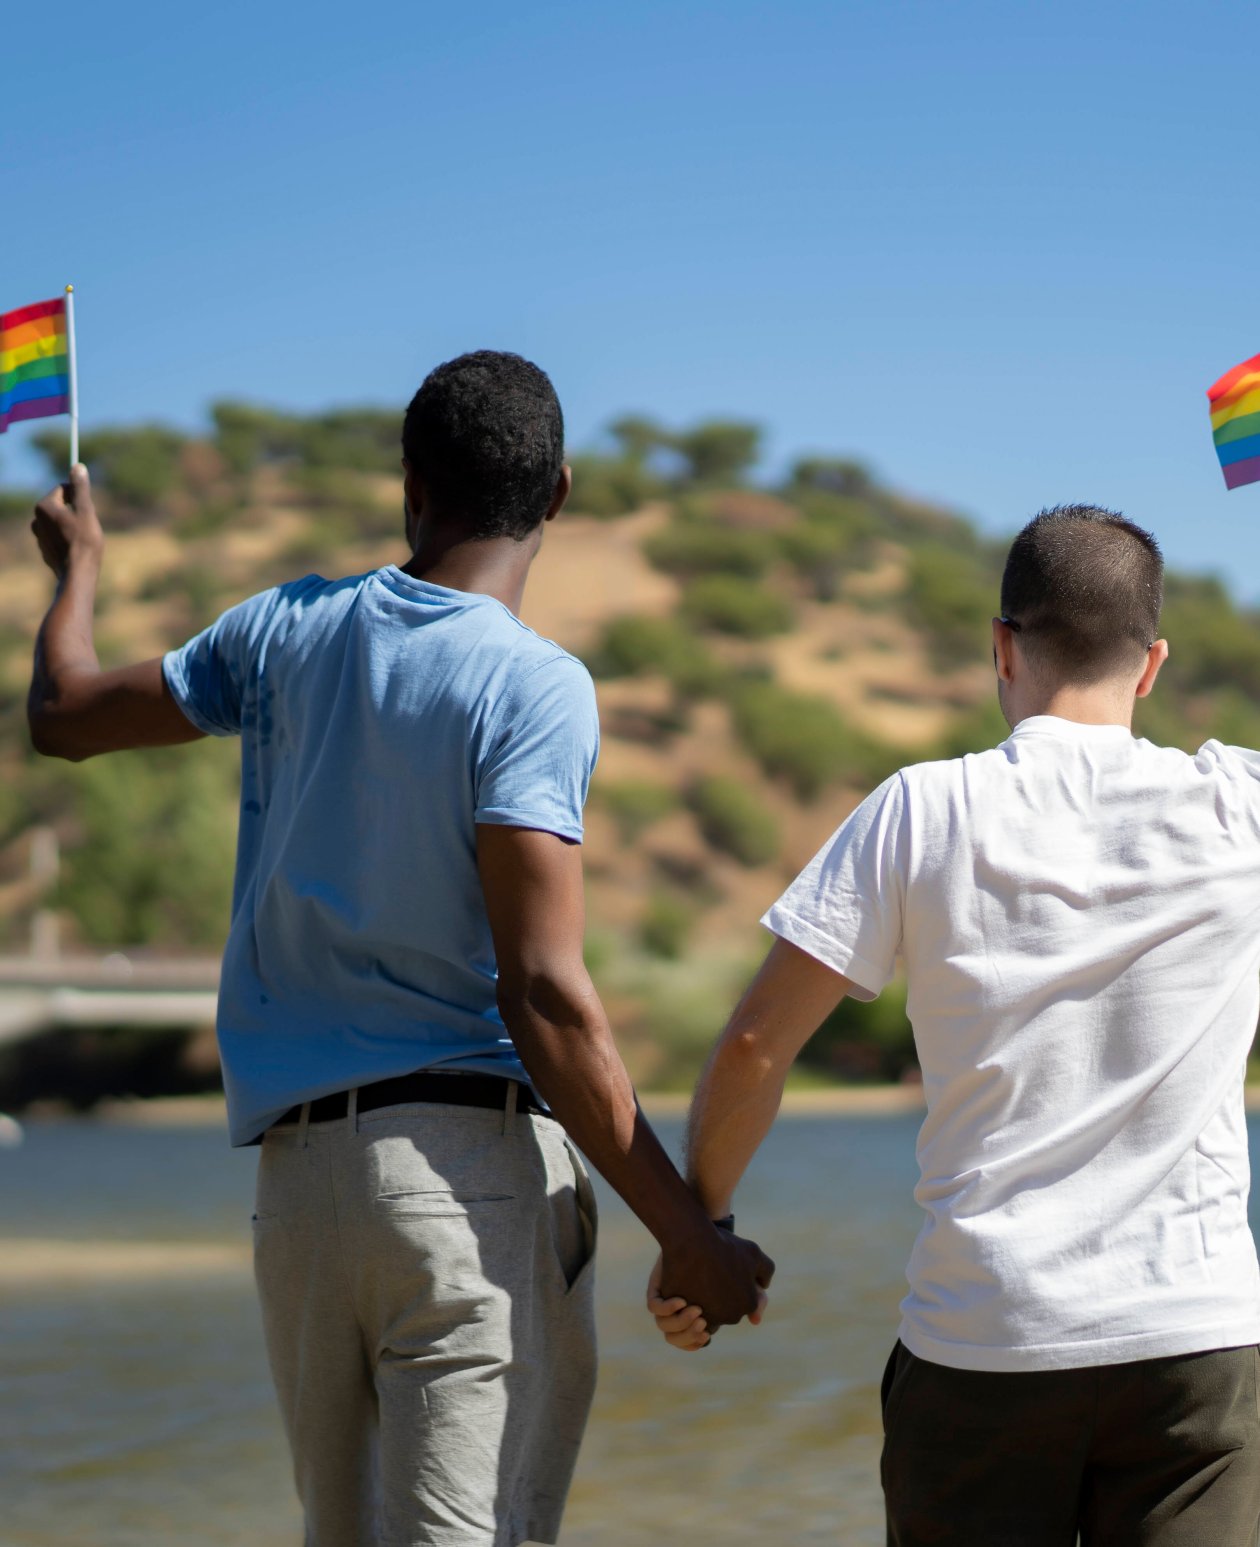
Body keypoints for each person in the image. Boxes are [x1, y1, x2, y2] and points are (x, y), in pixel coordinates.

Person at [26, 349, 773, 1547]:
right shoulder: (532, 685)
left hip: (302, 1192)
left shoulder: (281, 628)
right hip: (464, 1180)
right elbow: (542, 990)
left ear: (412, 486)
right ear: (561, 494)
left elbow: (62, 717)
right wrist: (687, 1231)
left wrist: (82, 570)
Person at [648, 505, 1260, 1545]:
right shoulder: (1239, 805)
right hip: (1193, 1349)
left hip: (985, 1342)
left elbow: (757, 1042)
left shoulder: (921, 809)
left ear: (1000, 644)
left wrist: (699, 1237)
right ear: (1151, 663)